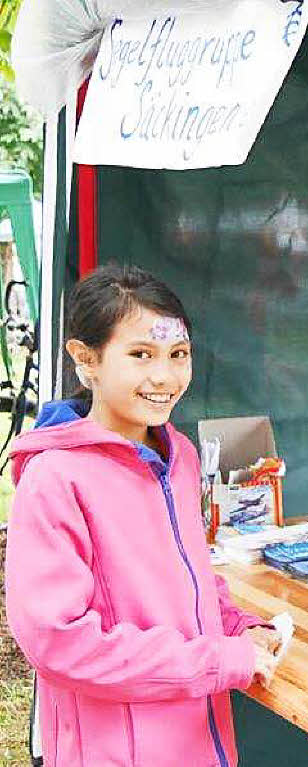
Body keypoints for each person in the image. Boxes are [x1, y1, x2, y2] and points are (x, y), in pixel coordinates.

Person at [5, 265, 281, 767]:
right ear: (85, 360)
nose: (164, 377)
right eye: (140, 355)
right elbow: (59, 642)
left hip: (201, 743)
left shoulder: (180, 457)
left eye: (179, 355)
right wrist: (215, 661)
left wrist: (237, 626)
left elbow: (192, 576)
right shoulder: (55, 480)